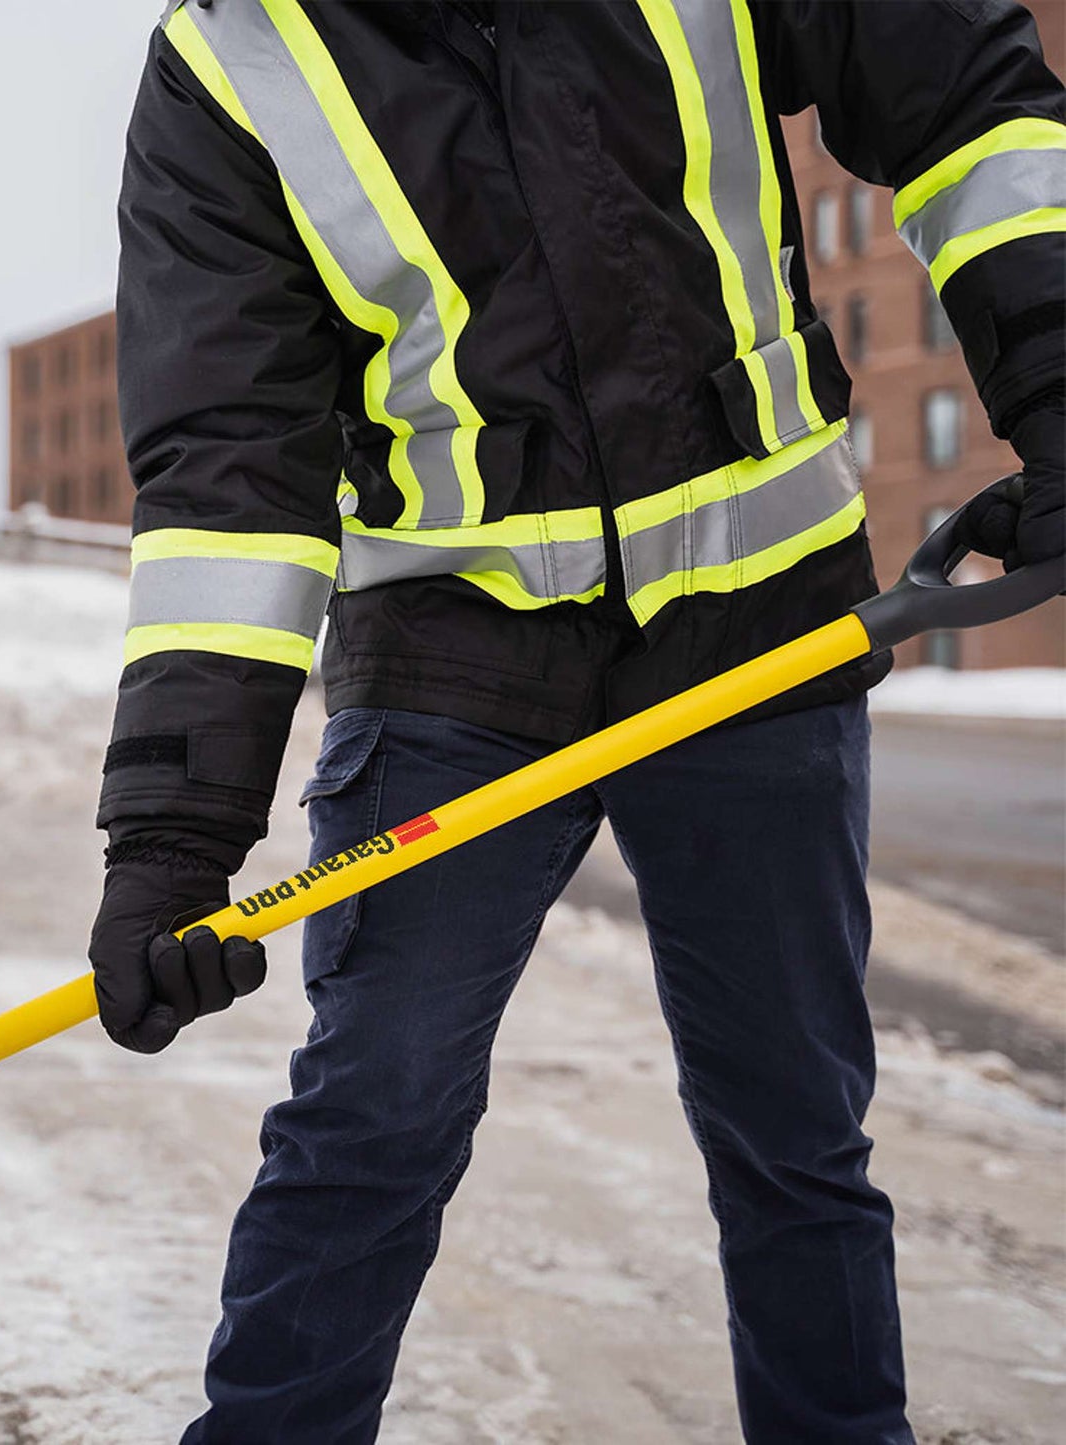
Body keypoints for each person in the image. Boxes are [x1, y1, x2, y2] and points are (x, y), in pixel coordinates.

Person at [88, 2, 1065, 1440]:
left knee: (794, 1129)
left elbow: (964, 101)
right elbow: (229, 471)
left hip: (756, 619)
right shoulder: (232, 61)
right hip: (453, 658)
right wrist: (173, 836)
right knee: (373, 1116)